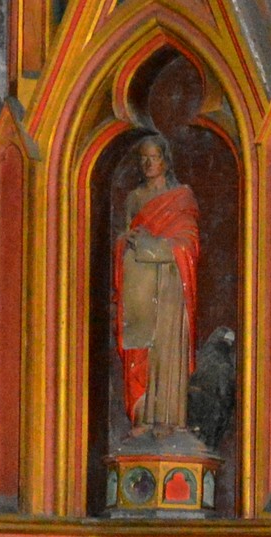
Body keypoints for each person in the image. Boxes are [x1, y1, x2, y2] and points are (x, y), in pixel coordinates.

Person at [114, 133, 198, 437]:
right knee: (140, 353)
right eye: (143, 158)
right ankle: (142, 417)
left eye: (154, 158)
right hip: (140, 290)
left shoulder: (181, 197)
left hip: (170, 288)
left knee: (166, 350)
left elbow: (188, 244)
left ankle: (167, 419)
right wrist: (129, 242)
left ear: (165, 160)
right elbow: (124, 238)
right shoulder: (134, 198)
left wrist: (156, 246)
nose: (148, 164)